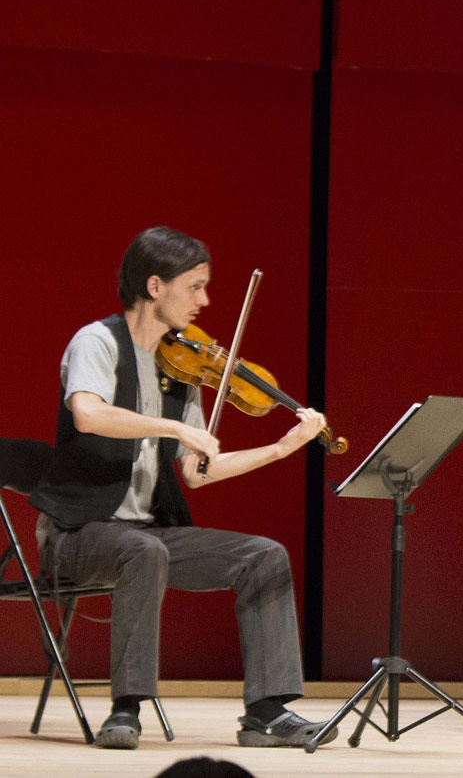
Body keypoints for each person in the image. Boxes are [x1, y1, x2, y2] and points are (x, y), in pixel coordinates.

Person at [29, 226, 336, 750]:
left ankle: (266, 713)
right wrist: (173, 428)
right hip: (77, 533)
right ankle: (126, 709)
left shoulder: (181, 368)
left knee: (264, 556)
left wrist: (282, 449)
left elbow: (196, 471)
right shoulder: (97, 343)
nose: (205, 301)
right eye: (194, 287)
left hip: (147, 536)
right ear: (155, 287)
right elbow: (87, 414)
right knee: (142, 549)